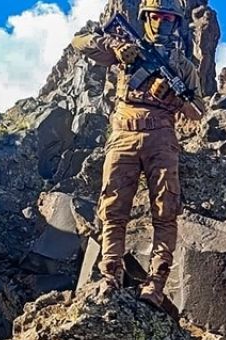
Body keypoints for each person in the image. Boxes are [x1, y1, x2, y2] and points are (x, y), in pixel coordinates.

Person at [71, 0, 203, 306]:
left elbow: (198, 111)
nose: (163, 23)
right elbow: (79, 42)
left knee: (165, 212)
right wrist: (115, 46)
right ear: (146, 19)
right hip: (123, 134)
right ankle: (110, 276)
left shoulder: (183, 66)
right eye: (157, 16)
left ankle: (155, 284)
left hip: (162, 137)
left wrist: (173, 96)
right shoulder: (128, 49)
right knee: (113, 210)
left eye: (169, 17)